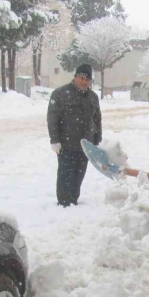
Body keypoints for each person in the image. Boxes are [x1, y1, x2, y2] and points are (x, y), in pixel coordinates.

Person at [47, 63, 102, 207]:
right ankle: (64, 204)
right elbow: (52, 118)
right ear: (75, 77)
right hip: (66, 145)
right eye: (81, 78)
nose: (84, 82)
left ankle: (74, 203)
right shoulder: (60, 94)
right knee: (66, 176)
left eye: (87, 80)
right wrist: (55, 140)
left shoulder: (93, 97)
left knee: (78, 177)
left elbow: (97, 120)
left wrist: (97, 141)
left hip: (86, 146)